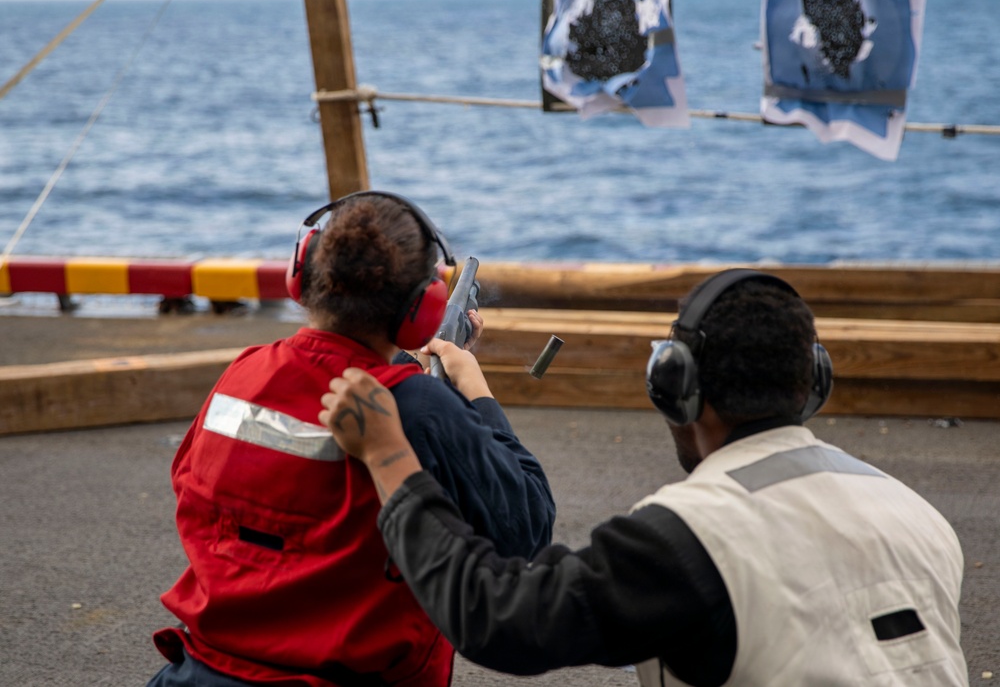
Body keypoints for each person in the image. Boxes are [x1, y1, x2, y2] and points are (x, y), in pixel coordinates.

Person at [319, 268, 969, 686]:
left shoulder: (690, 538)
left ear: (675, 385)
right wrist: (480, 397)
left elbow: (498, 616)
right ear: (812, 383)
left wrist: (389, 457)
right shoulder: (919, 515)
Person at [146, 191, 555, 687]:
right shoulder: (421, 408)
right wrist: (471, 387)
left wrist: (412, 377)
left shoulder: (244, 372)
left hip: (202, 670)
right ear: (421, 311)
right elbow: (527, 526)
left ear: (303, 276)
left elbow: (190, 479)